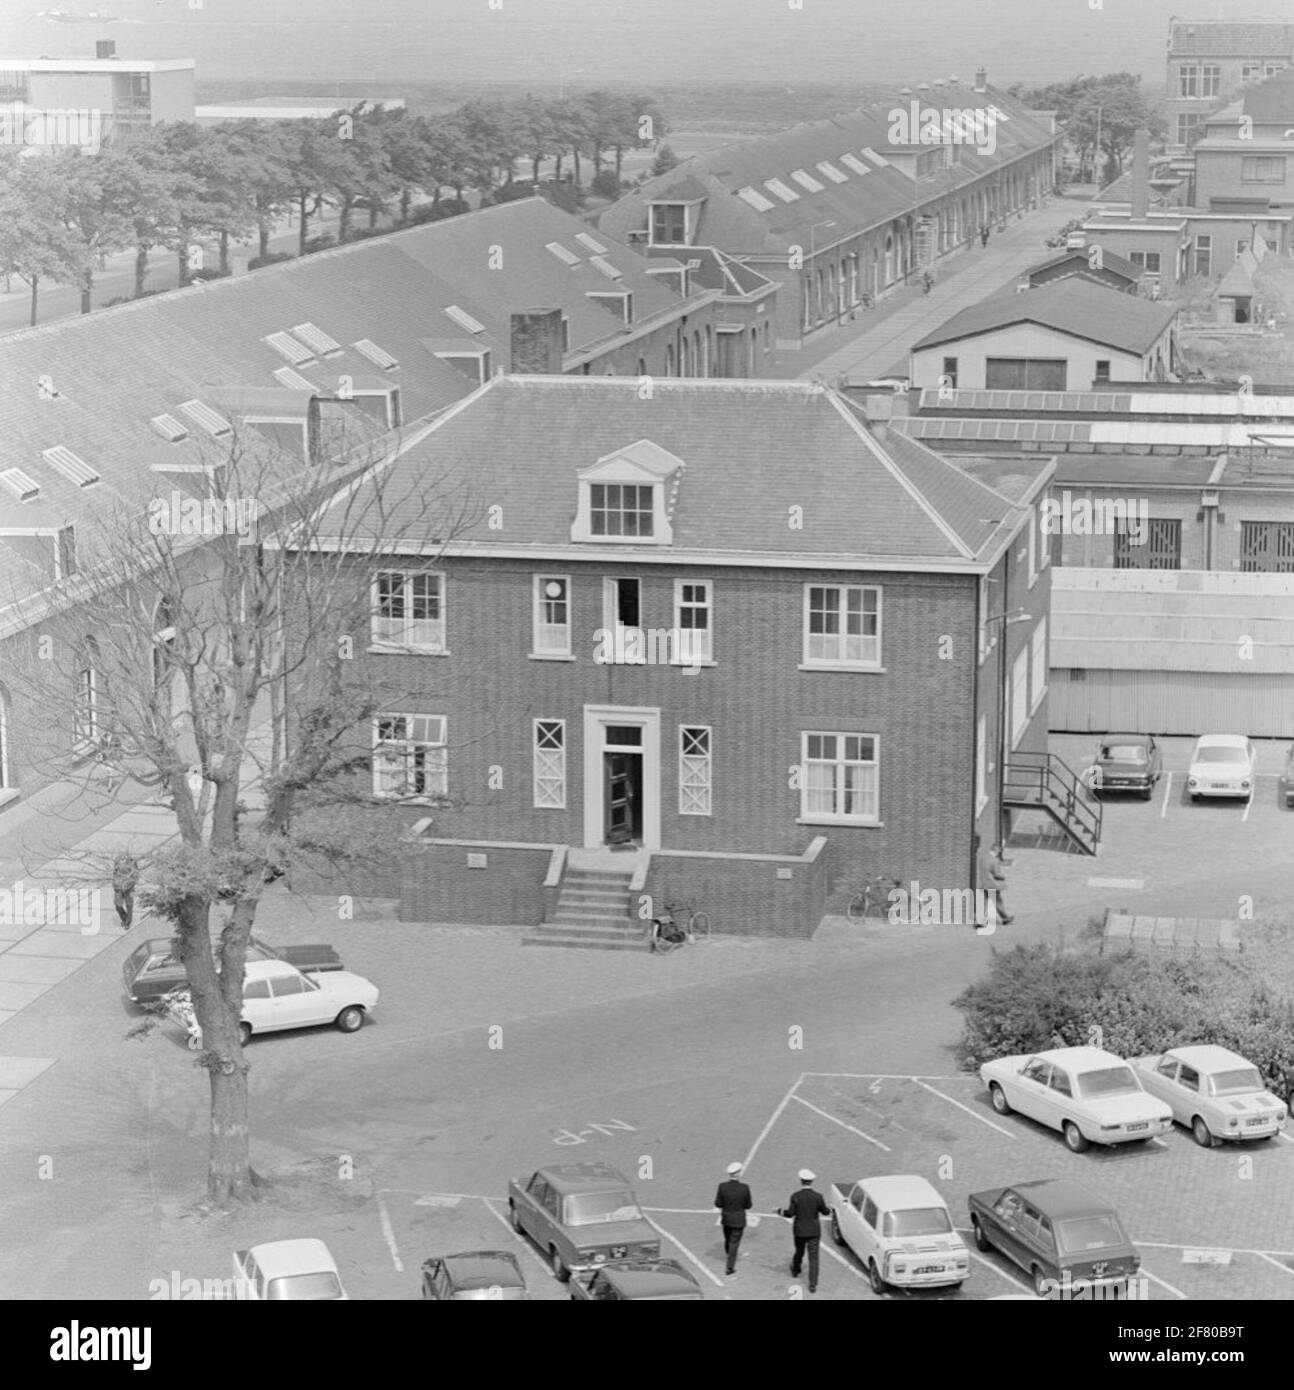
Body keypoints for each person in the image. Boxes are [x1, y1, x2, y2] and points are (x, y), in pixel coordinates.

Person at [779, 1169, 829, 1293]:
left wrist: (780, 1211)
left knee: (799, 1252)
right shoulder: (818, 1196)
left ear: (801, 1181)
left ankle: (796, 1270)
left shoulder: (795, 1196)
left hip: (800, 1231)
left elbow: (790, 1214)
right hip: (814, 1231)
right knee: (814, 1258)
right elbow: (825, 1211)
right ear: (811, 1181)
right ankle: (813, 1284)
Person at [713, 1161, 753, 1276]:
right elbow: (748, 1205)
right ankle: (730, 1266)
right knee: (734, 1242)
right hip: (739, 1220)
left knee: (728, 1238)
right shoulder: (744, 1188)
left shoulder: (722, 1186)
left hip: (726, 1218)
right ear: (738, 1173)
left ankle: (729, 1254)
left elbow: (718, 1204)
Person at [112, 851, 140, 930]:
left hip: (130, 887)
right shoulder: (117, 860)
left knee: (129, 906)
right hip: (118, 888)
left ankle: (127, 923)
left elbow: (136, 875)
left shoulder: (132, 862)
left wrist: (131, 884)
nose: (123, 857)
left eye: (125, 855)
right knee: (118, 905)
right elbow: (114, 873)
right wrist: (115, 884)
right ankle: (124, 919)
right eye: (122, 856)